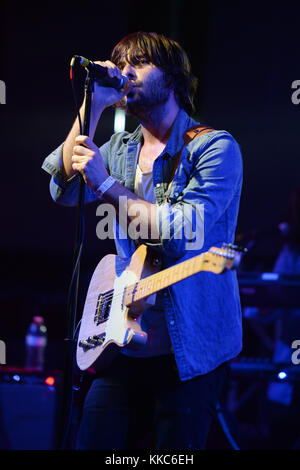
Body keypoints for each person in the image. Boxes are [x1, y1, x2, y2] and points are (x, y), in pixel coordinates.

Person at [42, 31, 243, 450]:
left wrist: (106, 184)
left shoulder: (214, 149)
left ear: (172, 79)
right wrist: (92, 105)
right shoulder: (120, 147)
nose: (126, 72)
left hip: (188, 354)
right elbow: (61, 190)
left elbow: (177, 233)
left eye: (139, 63)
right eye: (121, 63)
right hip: (119, 345)